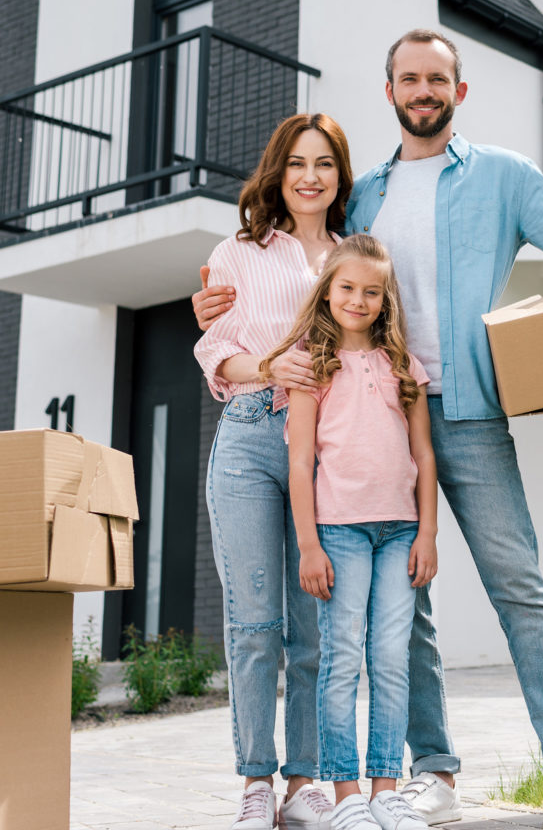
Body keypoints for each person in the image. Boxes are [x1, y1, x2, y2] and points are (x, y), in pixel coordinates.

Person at [195, 30, 543, 830]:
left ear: (459, 91)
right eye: (409, 79)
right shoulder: (362, 198)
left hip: (468, 411)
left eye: (437, 78)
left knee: (520, 585)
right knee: (403, 607)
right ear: (390, 92)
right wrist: (216, 314)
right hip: (369, 414)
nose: (423, 90)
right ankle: (431, 770)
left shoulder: (504, 175)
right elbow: (306, 289)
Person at [194, 113, 353, 830]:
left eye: (324, 163)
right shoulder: (237, 252)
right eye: (297, 163)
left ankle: (306, 784)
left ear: (340, 176)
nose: (310, 176)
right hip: (251, 437)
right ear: (277, 172)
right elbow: (213, 352)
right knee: (255, 624)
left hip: (327, 445)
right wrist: (268, 364)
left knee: (314, 629)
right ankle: (256, 783)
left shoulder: (357, 259)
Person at [267, 234, 439, 830]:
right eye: (347, 288)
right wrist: (308, 544)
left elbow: (424, 453)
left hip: (400, 533)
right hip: (338, 531)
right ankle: (345, 797)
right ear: (327, 290)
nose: (359, 300)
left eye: (372, 291)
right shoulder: (311, 364)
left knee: (391, 658)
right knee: (343, 660)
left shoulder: (403, 365)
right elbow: (299, 462)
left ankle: (386, 788)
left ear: (385, 297)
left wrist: (429, 533)